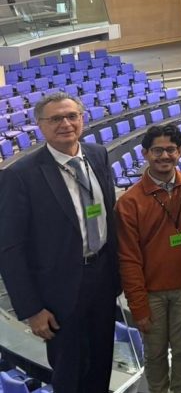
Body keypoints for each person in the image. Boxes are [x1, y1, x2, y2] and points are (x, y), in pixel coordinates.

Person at [0, 92, 120, 392]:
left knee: (101, 363)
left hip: (103, 278)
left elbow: (109, 214)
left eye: (71, 116)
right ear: (40, 125)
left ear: (82, 119)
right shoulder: (20, 175)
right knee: (69, 371)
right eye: (55, 119)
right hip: (59, 291)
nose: (65, 124)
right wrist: (31, 309)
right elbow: (10, 248)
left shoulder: (98, 155)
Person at [116, 124, 181, 393]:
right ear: (145, 154)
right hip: (152, 294)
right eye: (157, 150)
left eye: (171, 150)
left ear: (180, 152)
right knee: (155, 353)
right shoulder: (129, 202)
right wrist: (138, 306)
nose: (164, 156)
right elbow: (128, 259)